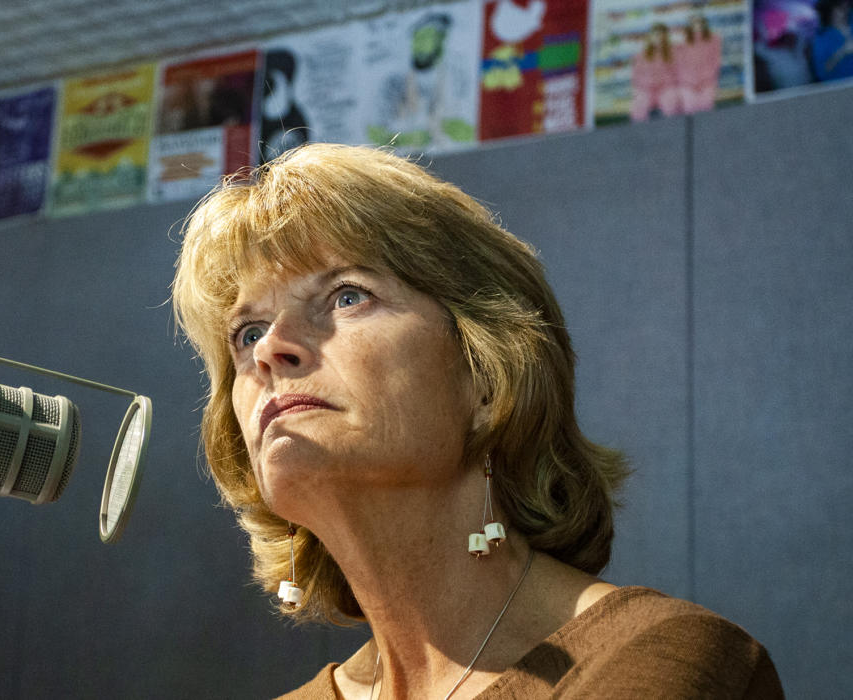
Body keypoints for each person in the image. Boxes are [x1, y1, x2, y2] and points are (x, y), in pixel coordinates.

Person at [171, 144, 783, 699]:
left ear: (487, 373)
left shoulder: (660, 660)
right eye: (247, 332)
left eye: (347, 296)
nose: (271, 349)